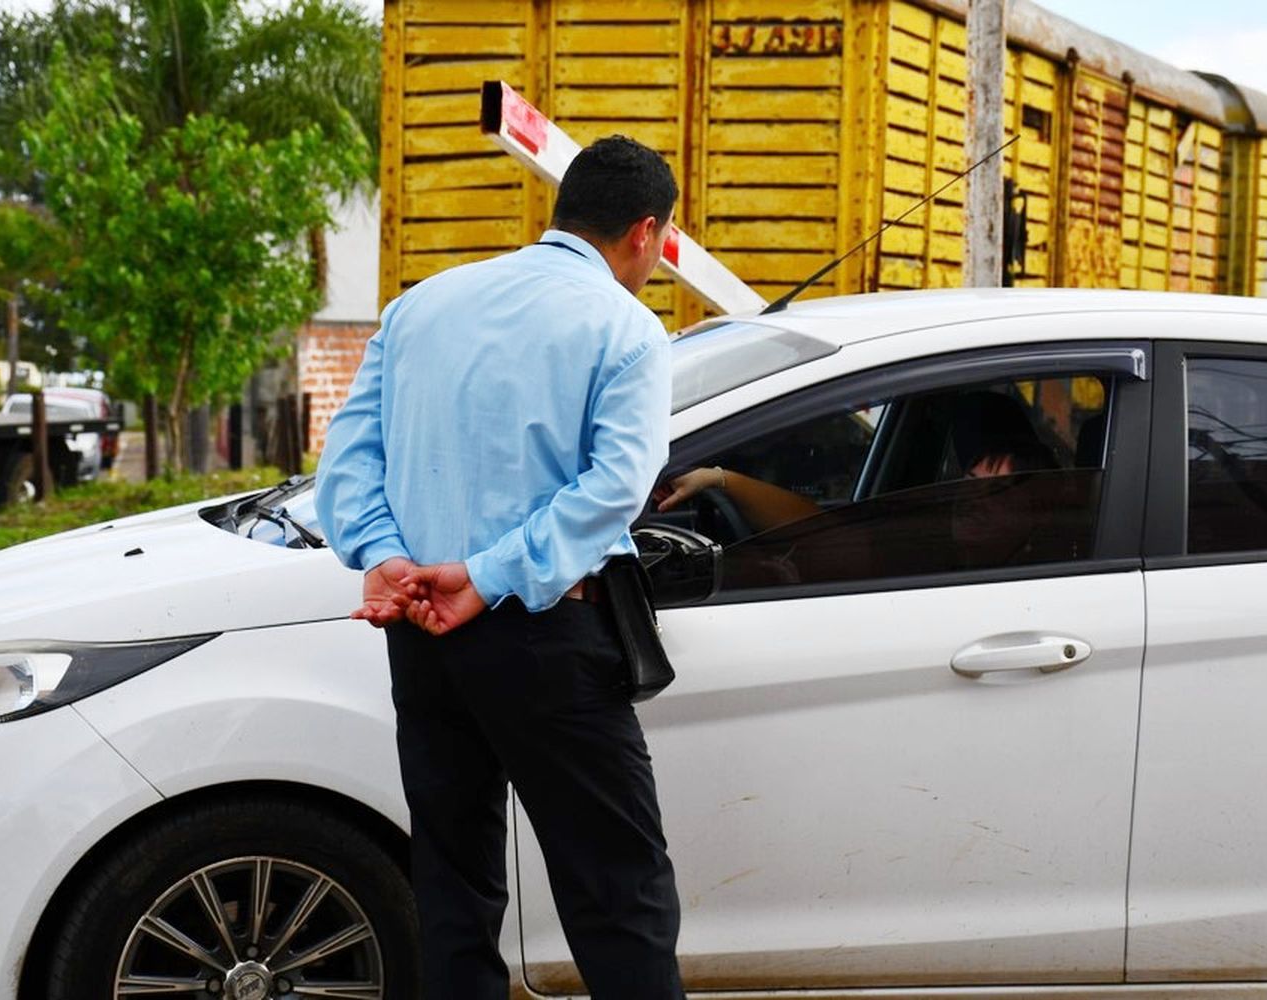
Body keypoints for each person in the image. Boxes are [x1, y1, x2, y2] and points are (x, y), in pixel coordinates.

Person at [314, 135, 684, 999]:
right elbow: (613, 491)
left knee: (452, 879)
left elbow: (348, 460)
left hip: (419, 635)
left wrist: (388, 558)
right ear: (645, 233)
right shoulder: (627, 329)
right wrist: (483, 578)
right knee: (616, 885)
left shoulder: (422, 306)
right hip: (547, 639)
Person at [653, 390, 1058, 535]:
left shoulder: (1029, 583)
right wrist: (722, 480)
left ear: (1035, 511)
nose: (972, 500)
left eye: (998, 491)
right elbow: (823, 533)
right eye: (969, 482)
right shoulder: (926, 548)